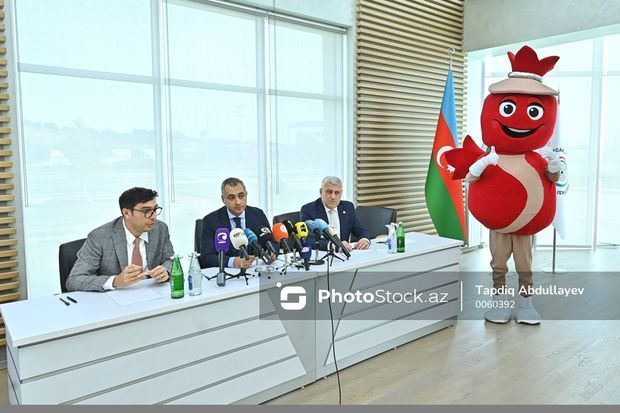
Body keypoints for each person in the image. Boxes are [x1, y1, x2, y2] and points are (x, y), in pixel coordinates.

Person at [66, 187, 175, 292]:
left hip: (152, 293)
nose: (153, 216)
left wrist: (166, 271)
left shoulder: (160, 229)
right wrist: (116, 281)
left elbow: (170, 260)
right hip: (115, 298)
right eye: (146, 211)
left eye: (155, 209)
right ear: (126, 213)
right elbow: (74, 280)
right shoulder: (99, 237)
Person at [199, 177, 271, 269]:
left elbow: (272, 243)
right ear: (223, 199)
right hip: (228, 273)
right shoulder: (211, 221)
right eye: (231, 197)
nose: (238, 202)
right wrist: (233, 262)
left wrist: (272, 253)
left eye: (241, 196)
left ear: (246, 195)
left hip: (256, 270)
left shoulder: (258, 214)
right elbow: (206, 257)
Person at [300, 176, 371, 251]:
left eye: (337, 193)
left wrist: (364, 239)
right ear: (321, 192)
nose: (333, 197)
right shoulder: (308, 209)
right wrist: (333, 245)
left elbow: (360, 230)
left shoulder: (348, 207)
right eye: (329, 192)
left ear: (341, 193)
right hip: (324, 254)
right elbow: (308, 240)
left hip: (347, 253)